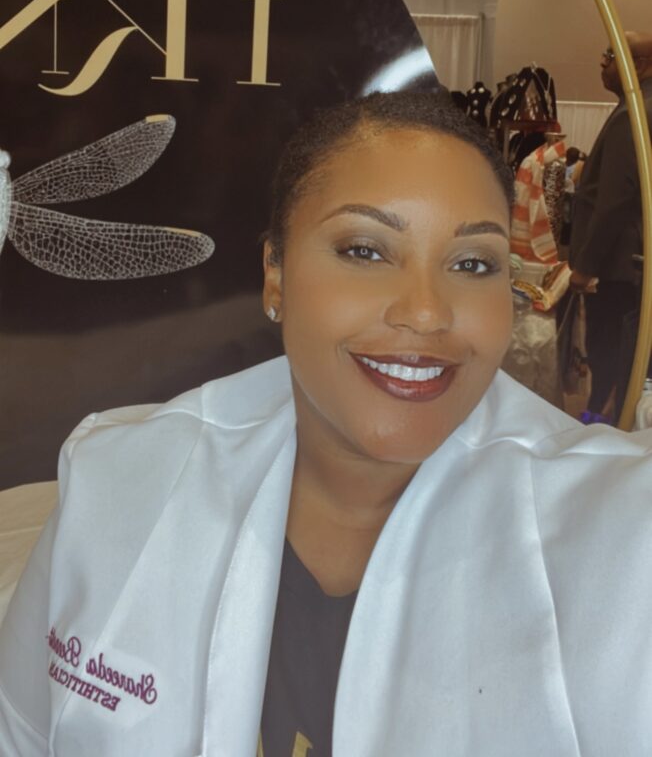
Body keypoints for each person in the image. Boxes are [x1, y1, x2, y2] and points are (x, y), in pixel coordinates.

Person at [1, 90, 652, 757]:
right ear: (275, 276)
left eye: (472, 263)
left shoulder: (624, 533)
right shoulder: (114, 483)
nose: (426, 312)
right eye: (366, 251)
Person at [569, 30, 652, 417]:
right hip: (634, 265)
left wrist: (585, 266)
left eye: (611, 54)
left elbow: (615, 201)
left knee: (609, 358)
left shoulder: (633, 114)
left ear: (641, 65)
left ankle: (601, 426)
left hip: (617, 268)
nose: (602, 62)